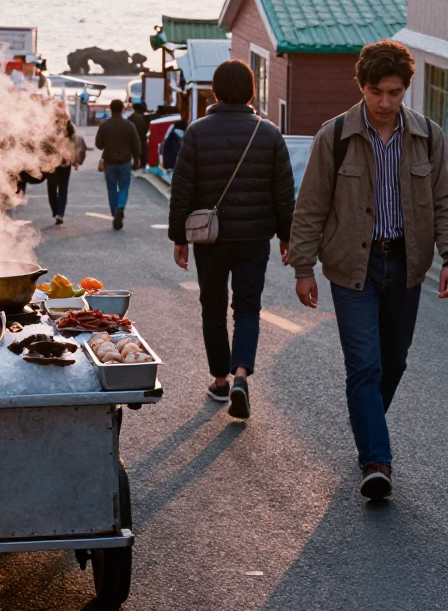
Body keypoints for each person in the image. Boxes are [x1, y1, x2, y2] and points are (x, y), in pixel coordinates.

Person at [289, 40, 448, 500]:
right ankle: (376, 461)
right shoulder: (333, 136)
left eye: (394, 93)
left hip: (406, 264)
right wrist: (303, 267)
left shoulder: (430, 137)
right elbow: (311, 205)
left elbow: (443, 202)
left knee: (393, 361)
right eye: (376, 91)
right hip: (350, 266)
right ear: (361, 86)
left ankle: (366, 423)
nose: (384, 102)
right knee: (364, 365)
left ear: (406, 90)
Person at [168, 59, 294, 418]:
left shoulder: (196, 131)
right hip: (254, 237)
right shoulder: (268, 134)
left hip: (210, 239)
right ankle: (241, 375)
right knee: (248, 308)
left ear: (217, 92)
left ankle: (220, 381)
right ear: (252, 92)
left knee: (213, 306)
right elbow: (284, 192)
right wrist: (286, 236)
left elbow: (183, 188)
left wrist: (180, 236)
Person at [95, 98, 141, 229]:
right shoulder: (129, 125)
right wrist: (137, 158)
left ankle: (114, 211)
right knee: (124, 188)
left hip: (109, 162)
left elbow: (98, 145)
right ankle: (120, 207)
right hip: (125, 161)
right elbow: (135, 144)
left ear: (110, 109)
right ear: (122, 110)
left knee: (111, 188)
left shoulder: (104, 125)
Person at [45, 105, 86, 224]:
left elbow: (44, 144)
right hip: (65, 162)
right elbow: (77, 143)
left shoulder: (50, 127)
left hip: (52, 163)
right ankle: (60, 213)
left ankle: (55, 211)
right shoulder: (70, 127)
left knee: (51, 188)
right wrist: (76, 161)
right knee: (63, 188)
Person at [129, 101, 150, 170]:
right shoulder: (140, 117)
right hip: (140, 138)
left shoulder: (132, 117)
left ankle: (138, 164)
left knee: (136, 152)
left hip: (135, 138)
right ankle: (140, 164)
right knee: (140, 152)